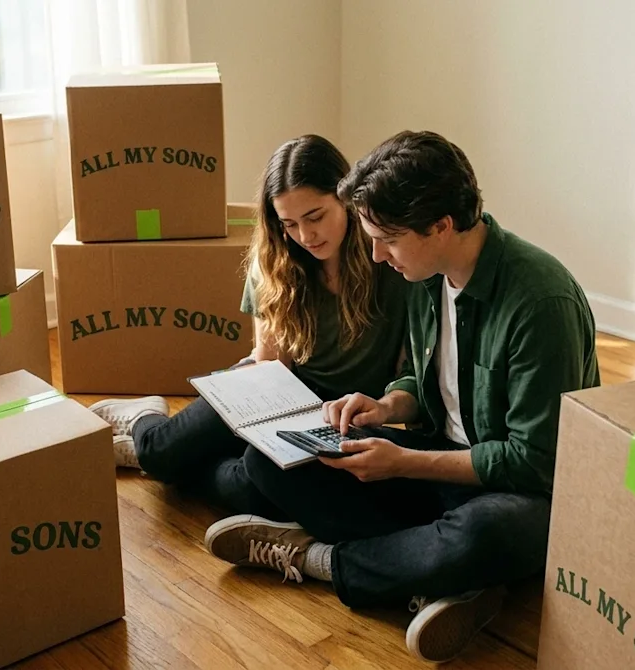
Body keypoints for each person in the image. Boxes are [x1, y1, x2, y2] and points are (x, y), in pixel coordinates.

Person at [203, 130, 601, 663]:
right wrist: (387, 406)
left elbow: (533, 462)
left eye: (386, 239)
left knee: (484, 534)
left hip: (521, 493)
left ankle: (318, 557)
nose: (373, 254)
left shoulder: (539, 302)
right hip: (439, 466)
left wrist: (405, 462)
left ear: (441, 226)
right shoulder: (425, 276)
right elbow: (421, 380)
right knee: (273, 459)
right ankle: (445, 581)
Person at [86, 134, 409, 520]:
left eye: (315, 217)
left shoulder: (389, 260)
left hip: (336, 417)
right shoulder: (276, 261)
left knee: (256, 494)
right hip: (272, 391)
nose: (305, 237)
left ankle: (168, 461)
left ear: (345, 198)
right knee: (160, 453)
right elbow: (270, 364)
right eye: (289, 224)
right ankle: (145, 423)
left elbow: (406, 374)